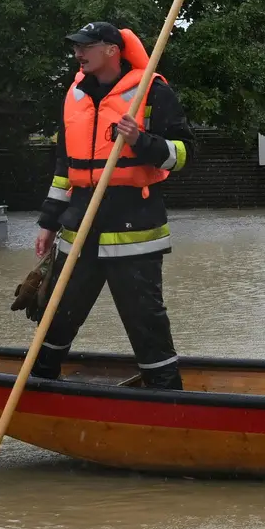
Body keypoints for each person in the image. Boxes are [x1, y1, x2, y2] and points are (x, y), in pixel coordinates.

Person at [31, 21, 191, 386]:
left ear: (111, 50)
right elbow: (63, 169)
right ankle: (40, 384)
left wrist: (141, 140)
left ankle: (168, 398)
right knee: (57, 314)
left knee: (145, 322)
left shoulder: (152, 92)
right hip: (79, 226)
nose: (78, 54)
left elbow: (184, 153)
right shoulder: (73, 95)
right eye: (76, 47)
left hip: (134, 228)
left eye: (86, 47)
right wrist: (48, 222)